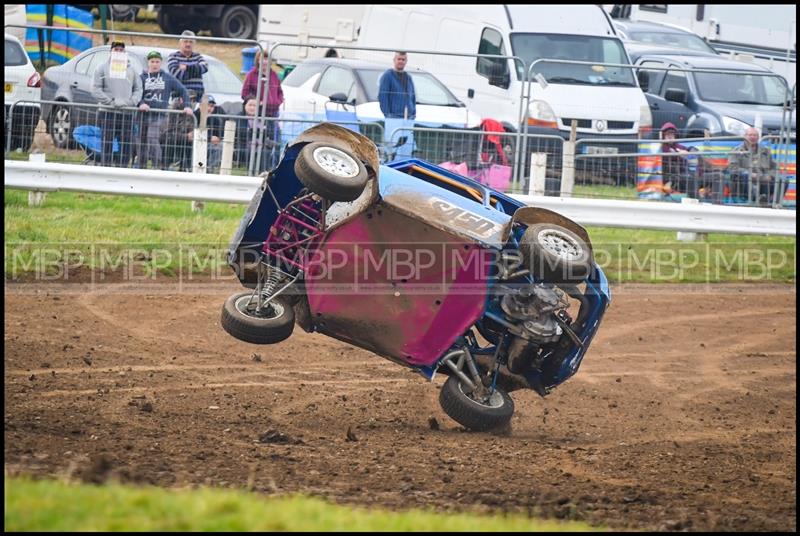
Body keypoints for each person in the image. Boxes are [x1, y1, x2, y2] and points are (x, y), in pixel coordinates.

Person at [136, 50, 193, 169]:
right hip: (143, 115)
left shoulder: (167, 78)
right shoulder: (141, 78)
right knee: (141, 143)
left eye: (157, 61)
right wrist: (141, 103)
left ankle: (160, 166)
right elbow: (136, 94)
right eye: (152, 61)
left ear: (161, 63)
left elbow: (183, 90)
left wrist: (187, 105)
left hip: (159, 116)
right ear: (148, 63)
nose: (155, 64)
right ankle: (141, 168)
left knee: (152, 138)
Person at [91, 40, 143, 167]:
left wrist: (131, 102)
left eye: (121, 50)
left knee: (126, 144)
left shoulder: (132, 70)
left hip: (127, 113)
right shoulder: (101, 68)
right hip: (107, 112)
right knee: (107, 143)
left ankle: (123, 168)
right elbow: (95, 89)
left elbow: (138, 88)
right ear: (110, 52)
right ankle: (106, 168)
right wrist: (110, 102)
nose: (119, 52)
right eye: (116, 50)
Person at [727, 127, 777, 206]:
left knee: (782, 180)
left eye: (755, 135)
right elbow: (733, 168)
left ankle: (774, 204)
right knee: (746, 176)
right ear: (745, 136)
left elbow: (774, 166)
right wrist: (750, 174)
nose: (752, 137)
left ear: (758, 137)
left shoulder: (765, 151)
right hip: (744, 179)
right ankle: (757, 198)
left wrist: (771, 175)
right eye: (750, 135)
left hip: (763, 177)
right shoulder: (736, 150)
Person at [233, 96, 280, 173]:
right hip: (245, 146)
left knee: (266, 150)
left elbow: (269, 132)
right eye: (250, 105)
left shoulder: (264, 118)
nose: (252, 108)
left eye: (255, 106)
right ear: (245, 105)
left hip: (262, 145)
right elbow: (241, 133)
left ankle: (262, 173)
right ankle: (250, 172)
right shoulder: (239, 117)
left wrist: (255, 133)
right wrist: (257, 133)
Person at [241, 49, 284, 120]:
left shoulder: (274, 75)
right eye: (262, 59)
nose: (264, 62)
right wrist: (256, 102)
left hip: (273, 113)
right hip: (257, 115)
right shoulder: (251, 75)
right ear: (258, 61)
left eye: (266, 59)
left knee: (274, 131)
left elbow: (280, 92)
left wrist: (278, 101)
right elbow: (244, 94)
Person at [160, 92, 197, 171]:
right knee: (170, 142)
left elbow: (192, 130)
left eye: (193, 100)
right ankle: (166, 168)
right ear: (180, 100)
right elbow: (167, 134)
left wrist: (192, 134)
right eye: (189, 99)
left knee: (191, 144)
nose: (191, 102)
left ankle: (187, 169)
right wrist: (186, 136)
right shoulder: (172, 112)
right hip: (169, 141)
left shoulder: (193, 114)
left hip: (184, 142)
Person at [167, 30, 208, 100]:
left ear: (194, 43)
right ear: (180, 43)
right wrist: (197, 70)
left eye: (191, 42)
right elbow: (177, 74)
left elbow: (205, 67)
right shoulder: (173, 56)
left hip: (197, 98)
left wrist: (187, 68)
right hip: (179, 98)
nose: (188, 44)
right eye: (185, 41)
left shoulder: (198, 56)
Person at [659, 122, 694, 197]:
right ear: (663, 136)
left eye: (672, 134)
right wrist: (677, 154)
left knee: (690, 177)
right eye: (667, 134)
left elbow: (691, 149)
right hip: (666, 175)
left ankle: (690, 196)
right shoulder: (661, 147)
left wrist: (689, 151)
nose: (670, 136)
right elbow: (667, 156)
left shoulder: (678, 146)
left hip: (682, 173)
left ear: (675, 136)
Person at [378, 51, 416, 120]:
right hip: (394, 118)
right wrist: (388, 115)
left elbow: (413, 97)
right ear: (394, 60)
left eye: (403, 59)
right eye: (399, 59)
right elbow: (383, 97)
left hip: (409, 118)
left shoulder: (408, 77)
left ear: (406, 61)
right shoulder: (388, 76)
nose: (401, 61)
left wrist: (413, 113)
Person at [193, 93, 226, 172]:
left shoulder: (215, 119)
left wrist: (217, 139)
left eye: (212, 106)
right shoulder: (194, 116)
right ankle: (200, 167)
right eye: (207, 105)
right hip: (195, 144)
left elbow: (219, 136)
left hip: (210, 145)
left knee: (221, 146)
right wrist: (209, 138)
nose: (209, 108)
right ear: (200, 105)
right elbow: (192, 134)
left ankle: (208, 169)